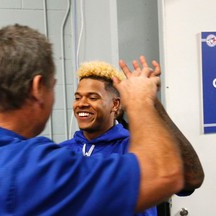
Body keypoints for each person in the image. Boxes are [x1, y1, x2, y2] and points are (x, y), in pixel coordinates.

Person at [0, 24, 185, 215]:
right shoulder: (33, 166)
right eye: (54, 86)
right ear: (37, 88)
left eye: (93, 97)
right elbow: (164, 174)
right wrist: (141, 100)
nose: (81, 103)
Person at [60, 59, 204, 215]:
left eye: (93, 97)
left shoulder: (138, 147)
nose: (82, 103)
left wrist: (149, 100)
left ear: (115, 105)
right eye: (77, 97)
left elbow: (191, 180)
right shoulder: (62, 151)